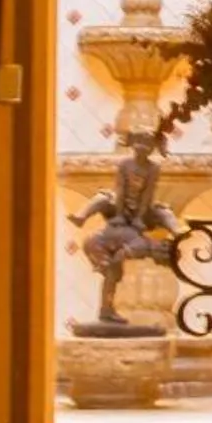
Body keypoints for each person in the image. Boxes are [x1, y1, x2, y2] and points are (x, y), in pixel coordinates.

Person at [69, 138, 179, 323]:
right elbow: (120, 189)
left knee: (163, 211)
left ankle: (177, 230)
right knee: (103, 197)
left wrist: (138, 218)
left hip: (137, 216)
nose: (141, 148)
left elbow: (148, 195)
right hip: (115, 218)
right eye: (139, 143)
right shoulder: (141, 243)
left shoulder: (153, 168)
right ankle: (82, 215)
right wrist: (120, 215)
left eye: (146, 145)